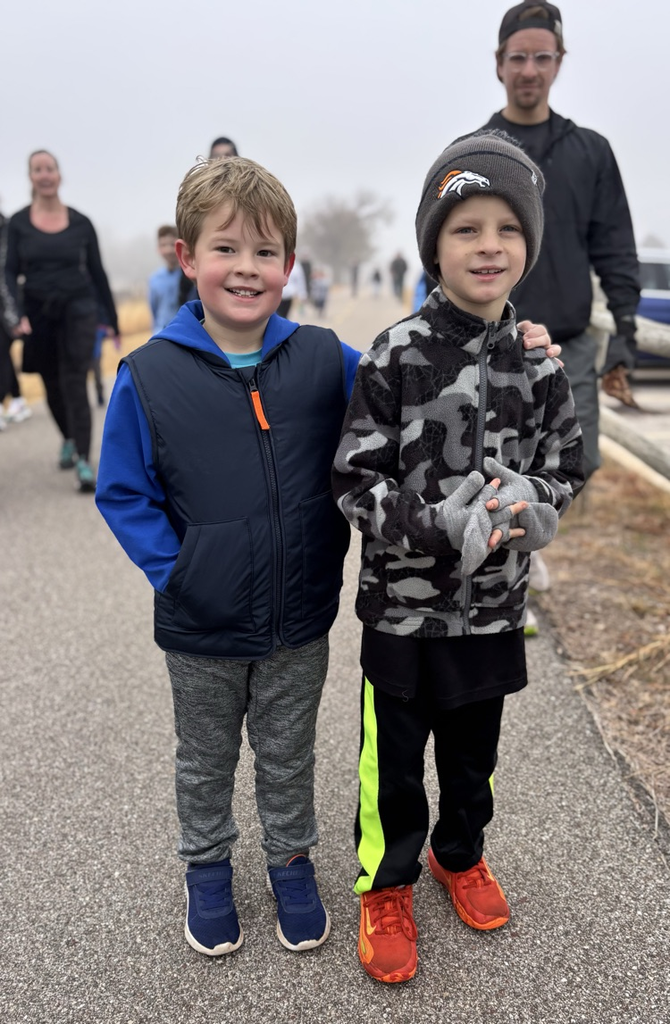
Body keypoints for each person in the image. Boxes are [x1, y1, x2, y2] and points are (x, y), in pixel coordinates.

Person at [331, 131, 584, 984]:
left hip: (495, 611)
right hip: (402, 612)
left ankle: (460, 854)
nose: (488, 246)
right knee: (394, 767)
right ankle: (385, 883)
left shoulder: (540, 366)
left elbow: (566, 468)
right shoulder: (395, 354)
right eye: (466, 228)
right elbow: (353, 481)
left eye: (507, 229)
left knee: (474, 759)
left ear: (528, 247)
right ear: (434, 246)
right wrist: (438, 523)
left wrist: (536, 506)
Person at [95, 155, 361, 958]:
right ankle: (207, 867)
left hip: (299, 617)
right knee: (205, 760)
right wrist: (179, 573)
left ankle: (290, 862)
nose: (247, 267)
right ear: (187, 256)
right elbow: (123, 492)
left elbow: (410, 382)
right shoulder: (148, 375)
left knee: (287, 754)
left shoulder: (325, 359)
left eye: (265, 251)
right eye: (226, 248)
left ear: (290, 264)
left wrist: (504, 337)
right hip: (201, 625)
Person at [481, 1, 640, 459]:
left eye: (542, 57)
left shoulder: (591, 152)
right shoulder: (476, 154)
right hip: (490, 351)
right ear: (499, 63)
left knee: (576, 467)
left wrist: (625, 331)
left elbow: (615, 249)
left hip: (570, 352)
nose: (529, 70)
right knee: (490, 475)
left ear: (559, 61)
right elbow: (444, 256)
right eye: (518, 57)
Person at [4, 151, 119, 491]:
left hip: (78, 309)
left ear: (59, 175)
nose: (45, 175)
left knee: (74, 380)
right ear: (31, 177)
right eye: (37, 169)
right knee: (51, 382)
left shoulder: (81, 222)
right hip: (38, 312)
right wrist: (16, 314)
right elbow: (8, 272)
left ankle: (84, 459)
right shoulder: (18, 224)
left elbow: (98, 273)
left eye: (50, 168)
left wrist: (112, 318)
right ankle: (68, 436)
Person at [0, 210, 32, 430]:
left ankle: (10, 401)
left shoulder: (10, 228)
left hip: (8, 304)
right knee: (3, 356)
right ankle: (17, 400)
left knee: (2, 354)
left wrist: (16, 314)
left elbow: (10, 273)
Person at [148, 225, 181, 331]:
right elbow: (154, 312)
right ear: (158, 249)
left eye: (172, 244)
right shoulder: (154, 279)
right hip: (162, 332)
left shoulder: (190, 276)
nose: (168, 250)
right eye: (163, 245)